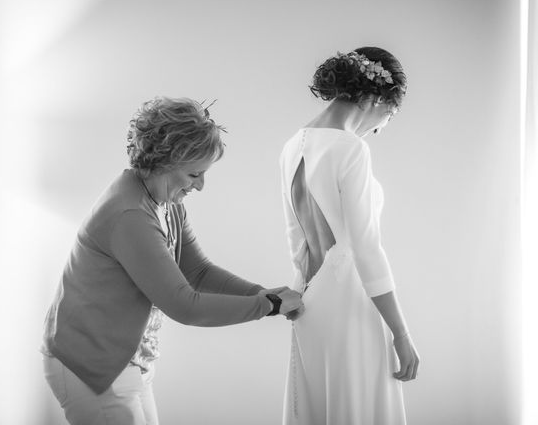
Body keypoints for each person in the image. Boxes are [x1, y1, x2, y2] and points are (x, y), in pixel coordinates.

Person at [42, 96, 304, 425]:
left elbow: (197, 271)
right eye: (195, 174)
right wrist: (269, 305)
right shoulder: (130, 215)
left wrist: (262, 293)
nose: (201, 185)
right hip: (91, 364)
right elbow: (185, 305)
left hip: (125, 361)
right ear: (166, 161)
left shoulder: (165, 200)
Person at [279, 47, 420, 425]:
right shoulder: (351, 148)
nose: (378, 128)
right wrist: (401, 334)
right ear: (375, 98)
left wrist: (298, 291)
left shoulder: (293, 145)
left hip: (309, 299)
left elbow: (298, 242)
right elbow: (366, 249)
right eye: (386, 116)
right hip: (351, 302)